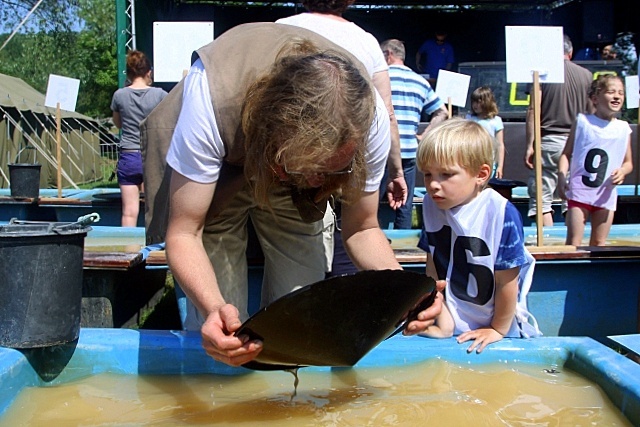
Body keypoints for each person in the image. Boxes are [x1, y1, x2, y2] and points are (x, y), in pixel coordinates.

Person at [140, 23, 443, 367]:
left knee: (300, 330)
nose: (311, 179)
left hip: (292, 174)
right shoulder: (212, 94)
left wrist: (406, 292)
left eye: (326, 170)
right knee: (226, 336)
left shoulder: (368, 122)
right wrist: (212, 307)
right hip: (223, 168)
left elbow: (362, 229)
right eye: (301, 170)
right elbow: (184, 232)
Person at [276, 0, 407, 274]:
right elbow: (386, 110)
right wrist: (396, 171)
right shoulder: (367, 40)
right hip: (293, 162)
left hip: (287, 161)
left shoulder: (280, 27)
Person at [416, 118, 541, 353]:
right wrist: (442, 319)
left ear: (481, 174)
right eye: (428, 174)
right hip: (452, 318)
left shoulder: (500, 213)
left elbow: (507, 281)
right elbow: (433, 268)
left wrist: (498, 329)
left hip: (498, 325)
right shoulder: (430, 204)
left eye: (446, 174)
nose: (433, 184)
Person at [524, 34, 593, 226]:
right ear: (570, 53)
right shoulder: (586, 75)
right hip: (578, 143)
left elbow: (533, 109)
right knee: (573, 197)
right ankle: (573, 242)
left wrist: (530, 144)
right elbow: (591, 112)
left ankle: (545, 243)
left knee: (541, 200)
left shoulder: (541, 75)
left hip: (548, 141)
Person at [380, 38, 448, 229]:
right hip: (409, 151)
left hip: (381, 150)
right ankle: (403, 251)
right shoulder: (420, 82)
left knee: (371, 204)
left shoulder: (377, 79)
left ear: (388, 55)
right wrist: (424, 136)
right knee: (404, 204)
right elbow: (442, 111)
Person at [558, 75, 633, 246]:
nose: (617, 96)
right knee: (573, 242)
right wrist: (561, 177)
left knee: (599, 243)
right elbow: (566, 154)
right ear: (595, 98)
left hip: (605, 195)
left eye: (621, 93)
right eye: (611, 92)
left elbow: (628, 163)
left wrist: (622, 171)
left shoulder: (623, 128)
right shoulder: (583, 122)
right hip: (580, 192)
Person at [110, 50, 167, 227]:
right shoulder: (160, 95)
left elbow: (118, 124)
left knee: (129, 212)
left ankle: (129, 253)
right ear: (148, 72)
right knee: (155, 210)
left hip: (129, 156)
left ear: (129, 73)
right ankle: (156, 251)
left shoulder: (119, 95)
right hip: (152, 157)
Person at [465, 86, 505, 179]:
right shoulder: (469, 119)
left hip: (489, 161)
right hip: (471, 161)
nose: (475, 105)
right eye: (473, 102)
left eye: (479, 102)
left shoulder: (496, 121)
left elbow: (500, 145)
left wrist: (500, 166)